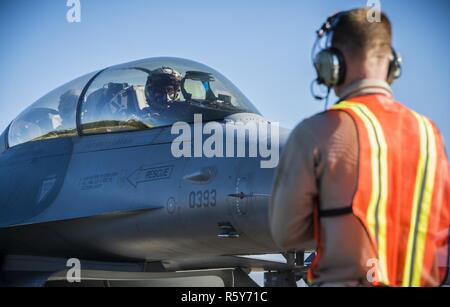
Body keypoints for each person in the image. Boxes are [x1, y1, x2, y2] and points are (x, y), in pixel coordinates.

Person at [269, 8, 449, 287]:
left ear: (332, 64)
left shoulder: (316, 133)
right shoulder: (430, 135)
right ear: (393, 64)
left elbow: (285, 233)